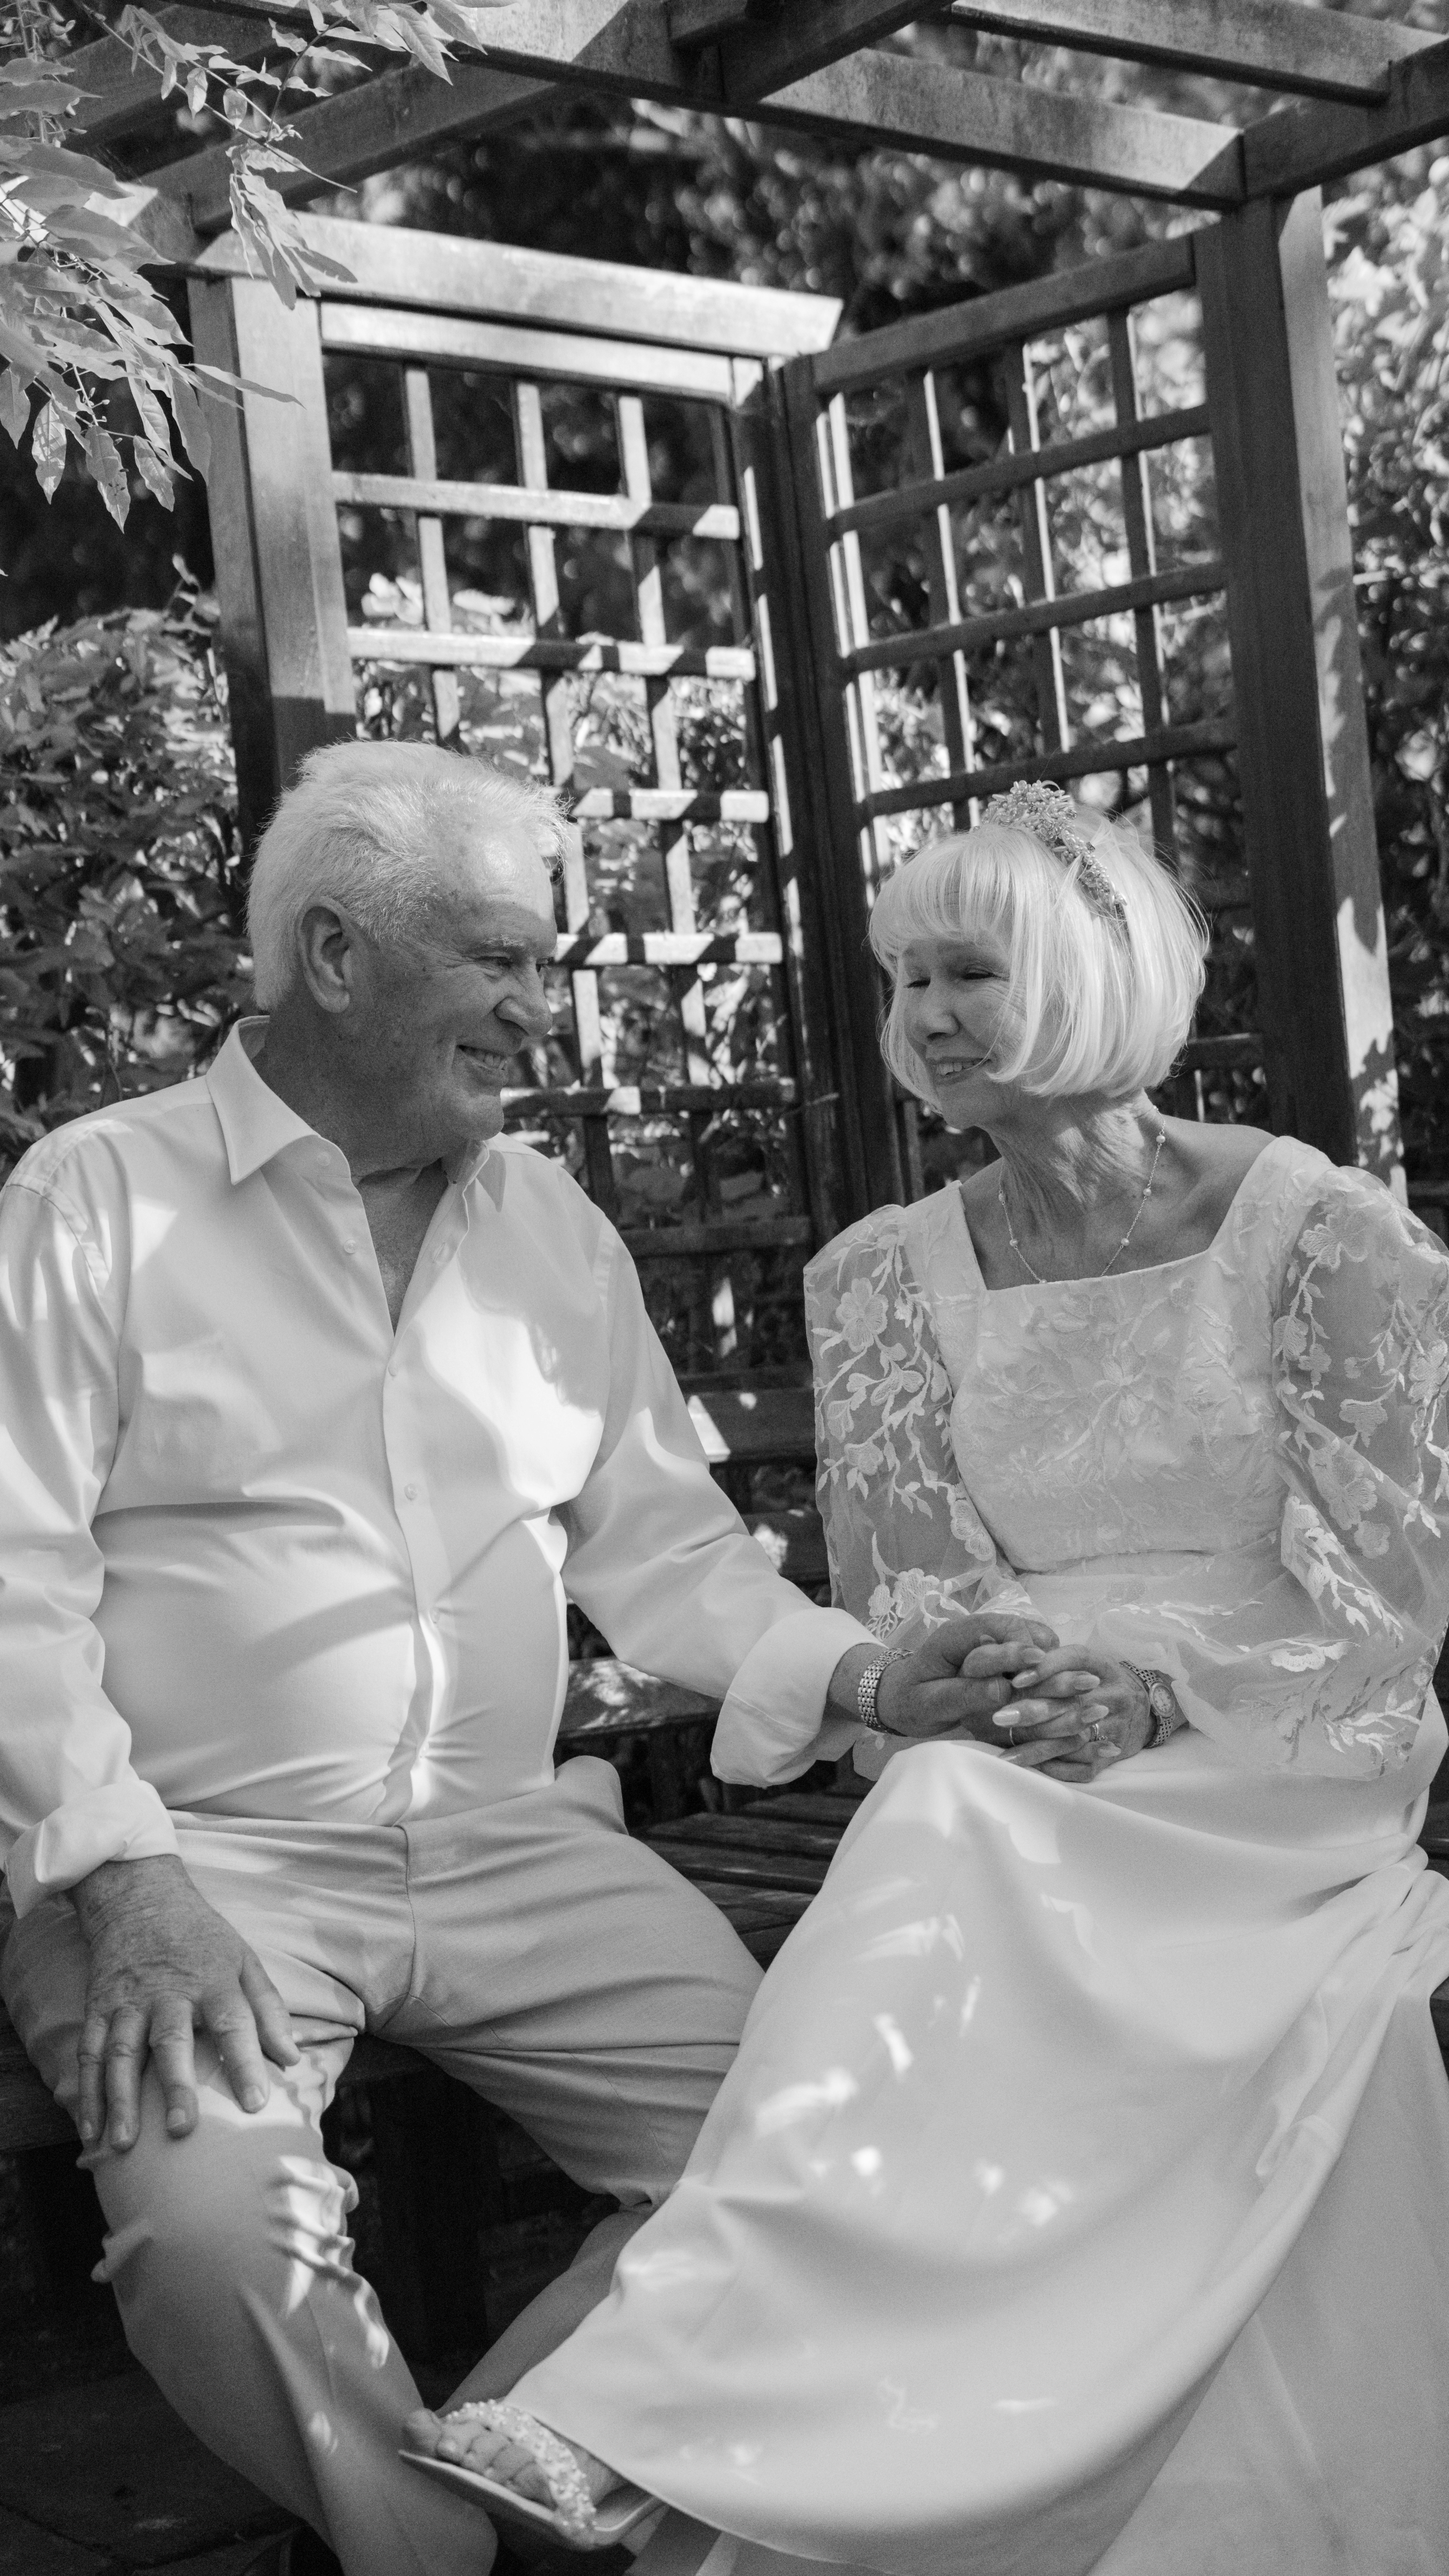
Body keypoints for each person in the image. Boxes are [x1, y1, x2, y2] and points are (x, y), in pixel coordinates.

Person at [0, 741, 1053, 2576]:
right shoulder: (95, 1202)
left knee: (815, 2148)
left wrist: (874, 1677)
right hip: (195, 1863)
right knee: (212, 2235)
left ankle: (506, 2475)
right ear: (334, 956)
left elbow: (666, 1547)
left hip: (508, 1838)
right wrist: (125, 1874)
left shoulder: (545, 1226)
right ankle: (443, 2557)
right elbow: (9, 1566)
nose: (538, 1011)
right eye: (498, 958)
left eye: (543, 965)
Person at [409, 780, 1449, 2576]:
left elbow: (1389, 1586)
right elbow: (911, 1588)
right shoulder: (880, 1274)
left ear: (1092, 970)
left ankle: (658, 2412)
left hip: (1277, 1753)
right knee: (952, 1799)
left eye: (969, 968)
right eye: (904, 979)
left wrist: (1156, 1694)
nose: (927, 1016)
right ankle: (662, 2418)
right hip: (1023, 1743)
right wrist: (1019, 1686)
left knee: (958, 1828)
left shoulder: (1320, 1231)